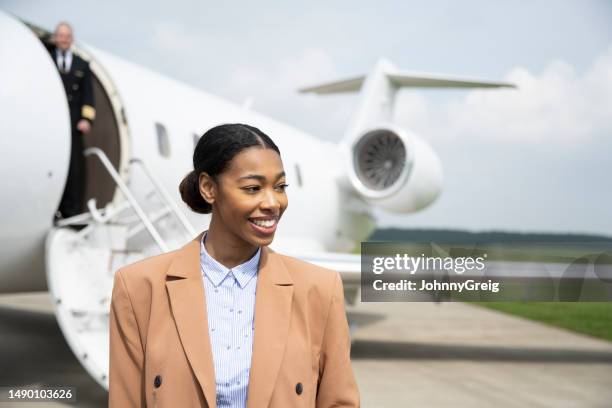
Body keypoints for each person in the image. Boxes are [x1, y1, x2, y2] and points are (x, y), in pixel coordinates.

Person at [108, 124, 360, 407]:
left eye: (280, 187)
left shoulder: (321, 290)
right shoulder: (138, 287)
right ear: (208, 188)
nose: (272, 203)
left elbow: (340, 401)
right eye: (253, 188)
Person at [48, 22, 96, 221]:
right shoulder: (46, 59)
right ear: (55, 38)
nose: (64, 39)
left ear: (71, 39)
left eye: (67, 36)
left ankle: (71, 210)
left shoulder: (81, 64)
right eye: (60, 35)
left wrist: (86, 119)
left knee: (74, 168)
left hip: (74, 124)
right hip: (52, 122)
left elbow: (88, 96)